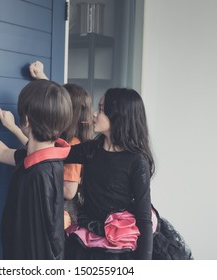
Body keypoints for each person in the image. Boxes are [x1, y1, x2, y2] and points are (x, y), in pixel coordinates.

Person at [0, 79, 73, 260]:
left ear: (25, 121)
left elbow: (38, 243)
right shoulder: (46, 158)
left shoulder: (38, 175)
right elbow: (2, 153)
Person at [0, 61, 93, 229]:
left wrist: (48, 182)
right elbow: (35, 147)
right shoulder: (62, 137)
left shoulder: (73, 143)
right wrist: (41, 77)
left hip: (63, 214)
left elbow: (69, 191)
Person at [64, 88, 155, 260]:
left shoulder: (136, 161)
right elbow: (54, 154)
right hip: (87, 237)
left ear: (118, 116)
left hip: (119, 245)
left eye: (101, 109)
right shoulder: (90, 150)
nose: (94, 114)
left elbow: (144, 219)